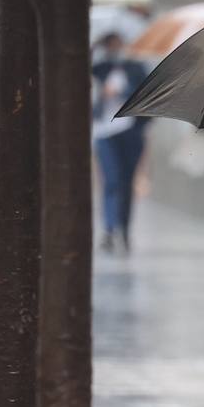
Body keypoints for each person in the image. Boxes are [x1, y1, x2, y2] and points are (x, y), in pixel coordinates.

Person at [91, 32, 149, 253]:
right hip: (106, 132)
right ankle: (109, 229)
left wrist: (121, 91)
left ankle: (124, 228)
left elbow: (144, 95)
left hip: (131, 131)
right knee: (111, 180)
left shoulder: (136, 68)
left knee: (126, 183)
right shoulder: (101, 67)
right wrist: (93, 46)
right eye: (110, 44)